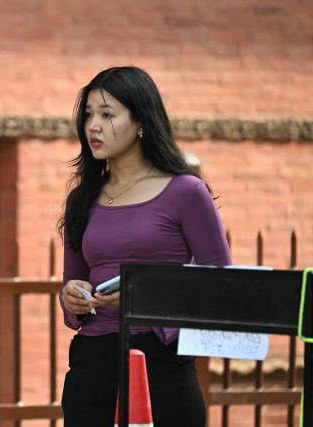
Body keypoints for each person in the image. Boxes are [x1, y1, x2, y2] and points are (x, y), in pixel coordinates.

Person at [58, 66, 231, 427]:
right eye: (88, 115)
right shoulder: (81, 199)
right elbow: (72, 283)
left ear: (141, 122)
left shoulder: (185, 191)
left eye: (107, 114)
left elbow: (220, 285)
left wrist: (143, 295)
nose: (93, 125)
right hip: (93, 361)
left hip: (160, 358)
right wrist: (72, 296)